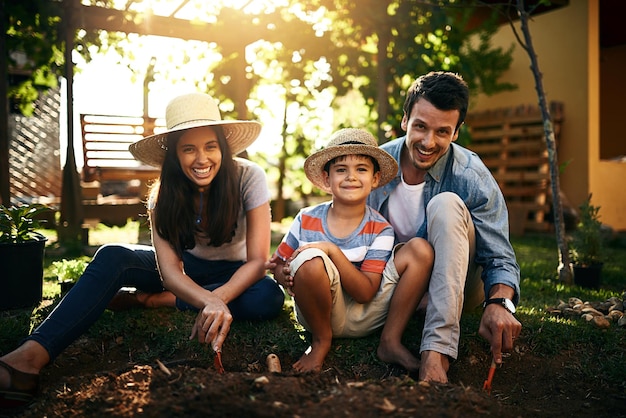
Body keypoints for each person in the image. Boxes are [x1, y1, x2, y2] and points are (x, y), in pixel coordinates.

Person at [0, 92, 284, 407]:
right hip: (186, 270)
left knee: (268, 297)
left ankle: (153, 301)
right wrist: (209, 300)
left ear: (223, 148)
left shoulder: (249, 176)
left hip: (236, 271)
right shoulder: (162, 197)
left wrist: (216, 299)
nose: (202, 159)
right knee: (113, 255)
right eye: (188, 149)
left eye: (210, 146)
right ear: (175, 155)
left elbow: (258, 261)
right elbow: (171, 272)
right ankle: (28, 358)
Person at [367, 71, 523, 383]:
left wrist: (500, 303)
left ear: (456, 132)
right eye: (420, 127)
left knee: (446, 203)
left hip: (464, 280)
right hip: (399, 280)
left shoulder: (471, 175)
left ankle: (435, 354)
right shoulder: (375, 166)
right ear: (405, 120)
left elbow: (499, 257)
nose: (428, 142)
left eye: (442, 131)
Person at [268, 128, 434, 373]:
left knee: (420, 249)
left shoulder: (380, 229)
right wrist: (287, 275)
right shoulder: (306, 219)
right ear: (327, 179)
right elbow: (279, 267)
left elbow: (366, 293)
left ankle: (390, 340)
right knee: (311, 261)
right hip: (317, 314)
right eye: (341, 169)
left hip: (366, 315)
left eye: (362, 169)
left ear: (375, 179)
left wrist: (331, 251)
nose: (351, 177)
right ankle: (321, 342)